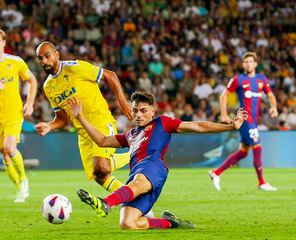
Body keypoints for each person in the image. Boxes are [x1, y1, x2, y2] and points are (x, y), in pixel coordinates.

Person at [66, 92, 247, 230]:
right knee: (127, 223)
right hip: (138, 175)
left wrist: (230, 126)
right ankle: (170, 223)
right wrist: (80, 117)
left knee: (137, 182)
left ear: (152, 111)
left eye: (143, 111)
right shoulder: (130, 135)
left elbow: (198, 126)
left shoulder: (162, 123)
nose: (138, 114)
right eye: (135, 110)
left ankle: (106, 202)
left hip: (153, 167)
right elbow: (102, 141)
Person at [35, 41, 132, 193]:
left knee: (101, 166)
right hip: (83, 133)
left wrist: (123, 102)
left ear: (57, 55)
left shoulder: (75, 68)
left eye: (47, 56)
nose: (44, 61)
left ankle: (132, 154)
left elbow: (109, 75)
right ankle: (133, 199)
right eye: (40, 58)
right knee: (99, 175)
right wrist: (49, 126)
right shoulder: (48, 87)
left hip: (100, 121)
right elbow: (63, 119)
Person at [0, 28, 38, 202]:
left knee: (10, 148)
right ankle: (19, 189)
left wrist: (30, 103)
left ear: (4, 43)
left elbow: (32, 80)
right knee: (3, 152)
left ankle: (24, 180)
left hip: (14, 113)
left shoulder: (16, 62)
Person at [209, 52, 278, 191]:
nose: (248, 64)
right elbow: (224, 95)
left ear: (256, 64)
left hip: (254, 120)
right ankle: (262, 182)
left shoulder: (261, 79)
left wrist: (274, 107)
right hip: (246, 120)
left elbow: (270, 95)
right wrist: (223, 114)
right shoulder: (238, 79)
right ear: (243, 64)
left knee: (244, 151)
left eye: (251, 61)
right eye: (246, 62)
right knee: (257, 147)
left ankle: (216, 172)